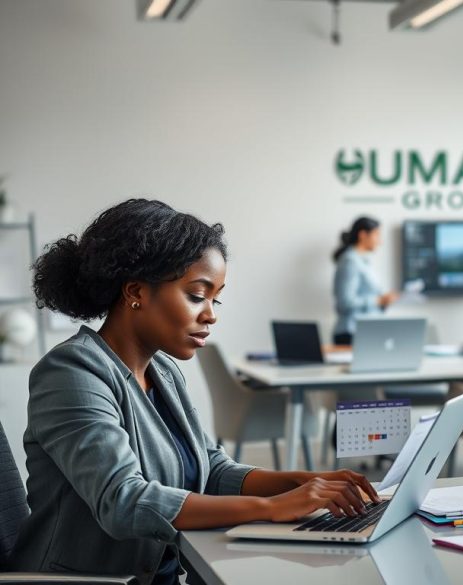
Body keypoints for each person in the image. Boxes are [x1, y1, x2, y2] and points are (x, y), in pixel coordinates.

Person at [13, 199, 378, 585]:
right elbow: (123, 501)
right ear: (136, 291)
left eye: (215, 298)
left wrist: (300, 482)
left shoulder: (164, 371)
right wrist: (271, 507)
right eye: (196, 295)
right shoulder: (72, 372)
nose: (211, 314)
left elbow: (211, 468)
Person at [331, 216, 398, 345]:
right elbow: (345, 303)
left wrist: (384, 301)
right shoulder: (349, 262)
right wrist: (379, 300)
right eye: (377, 235)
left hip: (367, 332)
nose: (380, 241)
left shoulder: (363, 261)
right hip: (351, 333)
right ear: (363, 235)